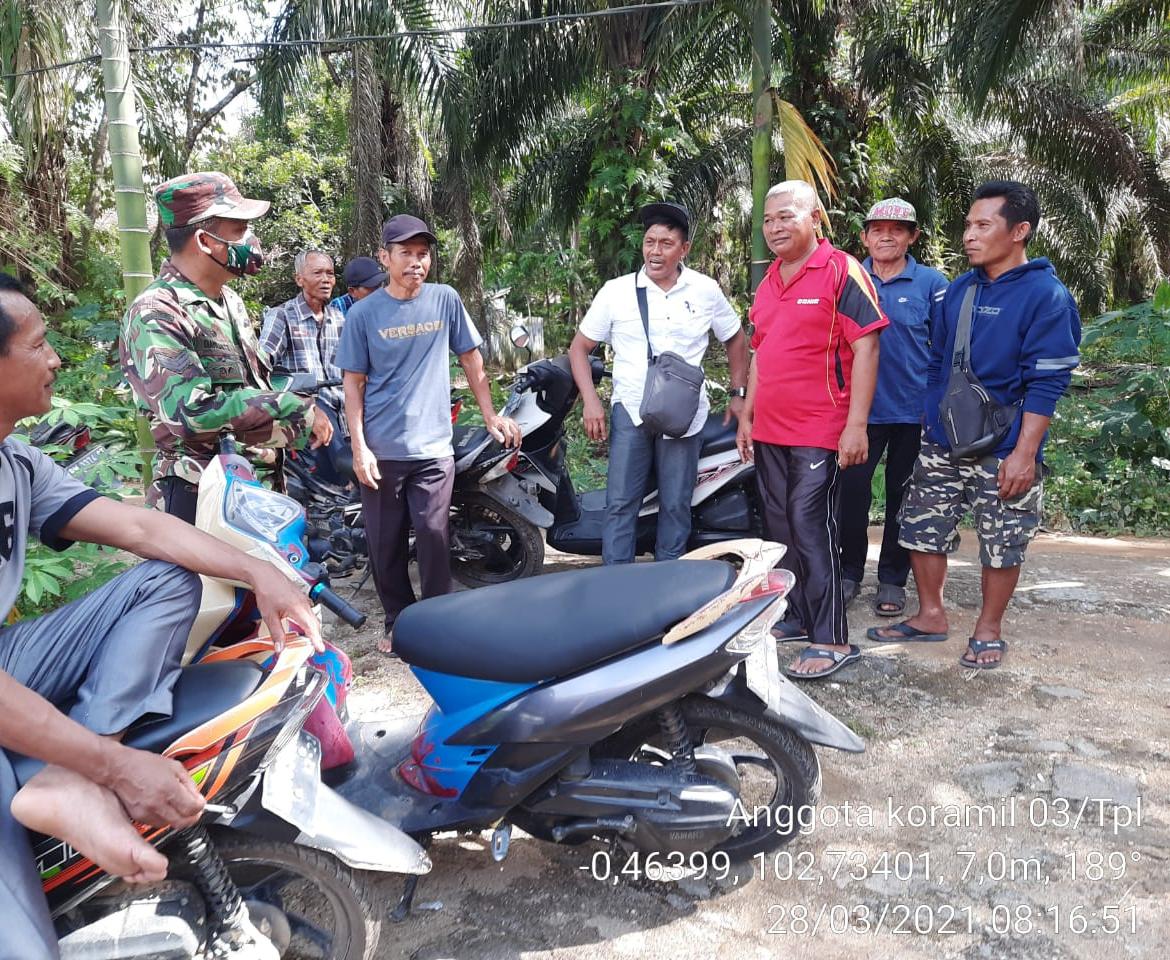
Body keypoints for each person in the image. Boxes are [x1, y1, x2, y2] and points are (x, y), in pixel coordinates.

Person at [0, 273, 323, 958]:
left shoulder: (15, 462)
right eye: (38, 345)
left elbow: (142, 531)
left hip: (10, 657)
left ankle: (71, 778)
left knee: (171, 579)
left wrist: (258, 571)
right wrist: (119, 770)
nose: (55, 358)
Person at [868, 181, 1081, 669]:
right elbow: (936, 360)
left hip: (1004, 445)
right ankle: (930, 615)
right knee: (921, 526)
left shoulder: (1046, 296)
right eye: (968, 224)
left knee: (1002, 538)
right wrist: (930, 419)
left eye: (983, 225)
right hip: (942, 440)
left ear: (1020, 231)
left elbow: (1047, 383)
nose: (969, 235)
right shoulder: (959, 289)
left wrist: (1024, 453)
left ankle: (988, 629)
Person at [336, 214, 521, 654]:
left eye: (423, 254)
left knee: (435, 536)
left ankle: (439, 621)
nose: (416, 263)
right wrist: (360, 447)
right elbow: (353, 385)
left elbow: (472, 360)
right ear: (385, 257)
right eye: (406, 254)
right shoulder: (363, 315)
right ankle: (398, 623)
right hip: (383, 451)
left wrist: (491, 415)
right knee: (386, 543)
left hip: (435, 447)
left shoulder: (445, 300)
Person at [736, 180, 888, 680]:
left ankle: (831, 638)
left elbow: (867, 347)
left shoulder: (842, 270)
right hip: (772, 430)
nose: (776, 227)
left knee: (809, 525)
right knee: (780, 529)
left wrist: (856, 426)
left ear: (815, 218)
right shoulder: (768, 280)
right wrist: (749, 416)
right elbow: (760, 354)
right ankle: (798, 616)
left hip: (821, 428)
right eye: (769, 219)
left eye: (786, 216)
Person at [121, 171, 332, 523]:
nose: (251, 239)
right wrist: (291, 406)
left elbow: (248, 391)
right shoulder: (157, 312)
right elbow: (190, 414)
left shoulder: (229, 302)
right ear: (205, 240)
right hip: (199, 497)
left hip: (252, 487)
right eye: (239, 229)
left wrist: (291, 426)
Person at [569, 201, 748, 564]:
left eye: (666, 243)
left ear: (684, 249)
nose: (655, 250)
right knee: (620, 503)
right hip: (631, 412)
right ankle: (616, 583)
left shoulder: (705, 289)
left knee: (676, 504)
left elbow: (736, 338)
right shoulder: (616, 291)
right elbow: (579, 348)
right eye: (650, 241)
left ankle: (667, 587)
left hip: (684, 418)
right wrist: (591, 401)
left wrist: (738, 393)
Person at [838, 199, 948, 617]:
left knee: (905, 497)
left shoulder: (933, 284)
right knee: (850, 495)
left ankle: (892, 579)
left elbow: (945, 349)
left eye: (898, 229)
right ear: (864, 236)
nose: (887, 235)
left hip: (913, 412)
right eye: (878, 228)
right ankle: (849, 572)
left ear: (912, 237)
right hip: (857, 415)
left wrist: (936, 406)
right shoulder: (848, 279)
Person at [259, 250, 350, 479]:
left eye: (330, 273)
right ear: (299, 279)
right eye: (317, 273)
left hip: (345, 413)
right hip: (308, 415)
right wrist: (303, 404)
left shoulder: (339, 318)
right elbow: (260, 369)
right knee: (328, 488)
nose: (326, 279)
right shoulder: (282, 316)